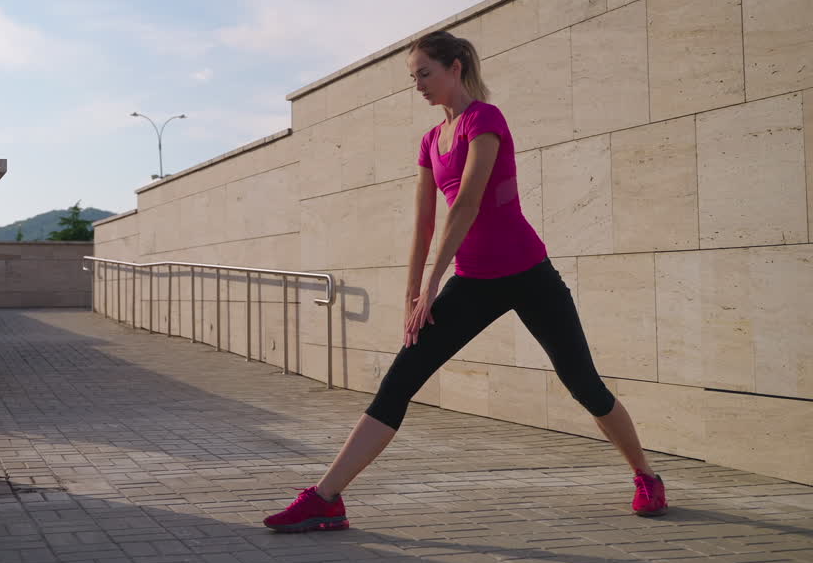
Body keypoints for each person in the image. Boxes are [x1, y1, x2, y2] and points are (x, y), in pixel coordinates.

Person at [263, 30, 667, 533]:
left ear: (455, 67)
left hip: (528, 273)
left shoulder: (486, 121)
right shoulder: (431, 141)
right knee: (400, 380)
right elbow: (426, 221)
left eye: (425, 74)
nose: (419, 85)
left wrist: (432, 283)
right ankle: (326, 498)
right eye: (413, 78)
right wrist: (413, 291)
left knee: (583, 383)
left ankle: (646, 476)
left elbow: (469, 203)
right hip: (474, 281)